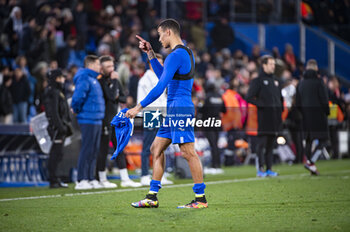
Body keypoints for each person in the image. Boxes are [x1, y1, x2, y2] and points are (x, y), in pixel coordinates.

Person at [126, 19, 208, 209]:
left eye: (160, 34)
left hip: (179, 109)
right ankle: (152, 197)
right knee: (156, 148)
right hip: (174, 109)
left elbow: (161, 86)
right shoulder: (184, 52)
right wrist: (150, 54)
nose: (159, 38)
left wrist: (138, 107)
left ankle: (200, 199)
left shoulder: (175, 54)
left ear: (169, 32)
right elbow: (165, 76)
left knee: (188, 153)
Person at [97, 55, 141, 188]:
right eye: (108, 67)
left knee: (120, 148)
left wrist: (115, 91)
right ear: (102, 68)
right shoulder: (100, 81)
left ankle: (125, 178)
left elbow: (122, 97)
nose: (111, 69)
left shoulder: (113, 80)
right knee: (103, 150)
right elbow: (111, 96)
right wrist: (114, 83)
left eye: (112, 66)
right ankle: (102, 179)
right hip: (104, 119)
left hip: (115, 119)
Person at [137, 53, 173, 186]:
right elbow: (148, 97)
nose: (161, 65)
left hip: (161, 113)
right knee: (148, 146)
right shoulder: (146, 79)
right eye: (158, 62)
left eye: (162, 62)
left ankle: (158, 175)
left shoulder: (159, 77)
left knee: (160, 146)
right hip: (152, 113)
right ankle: (144, 175)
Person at [71, 55, 105, 190]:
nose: (99, 67)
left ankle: (90, 177)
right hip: (87, 118)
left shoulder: (93, 79)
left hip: (96, 118)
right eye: (97, 64)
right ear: (90, 65)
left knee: (94, 149)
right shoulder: (84, 77)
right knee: (86, 149)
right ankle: (81, 179)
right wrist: (76, 109)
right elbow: (78, 97)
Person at [246, 55, 283, 177]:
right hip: (263, 118)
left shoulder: (276, 81)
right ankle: (260, 169)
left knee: (270, 145)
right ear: (264, 65)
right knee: (261, 144)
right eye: (271, 64)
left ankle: (269, 169)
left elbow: (279, 99)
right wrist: (262, 104)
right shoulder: (258, 81)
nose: (273, 66)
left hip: (275, 118)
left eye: (274, 64)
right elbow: (249, 97)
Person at [296, 59, 329, 175]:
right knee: (324, 140)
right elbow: (324, 99)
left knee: (309, 141)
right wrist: (327, 112)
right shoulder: (319, 82)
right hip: (318, 116)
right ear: (316, 68)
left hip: (305, 117)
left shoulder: (301, 83)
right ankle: (311, 162)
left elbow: (297, 103)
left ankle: (312, 167)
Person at [43, 69, 72, 188]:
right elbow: (54, 112)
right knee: (55, 153)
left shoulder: (56, 91)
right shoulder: (53, 92)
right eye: (61, 78)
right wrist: (60, 127)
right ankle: (53, 179)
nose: (63, 80)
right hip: (57, 128)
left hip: (59, 126)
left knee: (58, 153)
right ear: (56, 79)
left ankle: (55, 178)